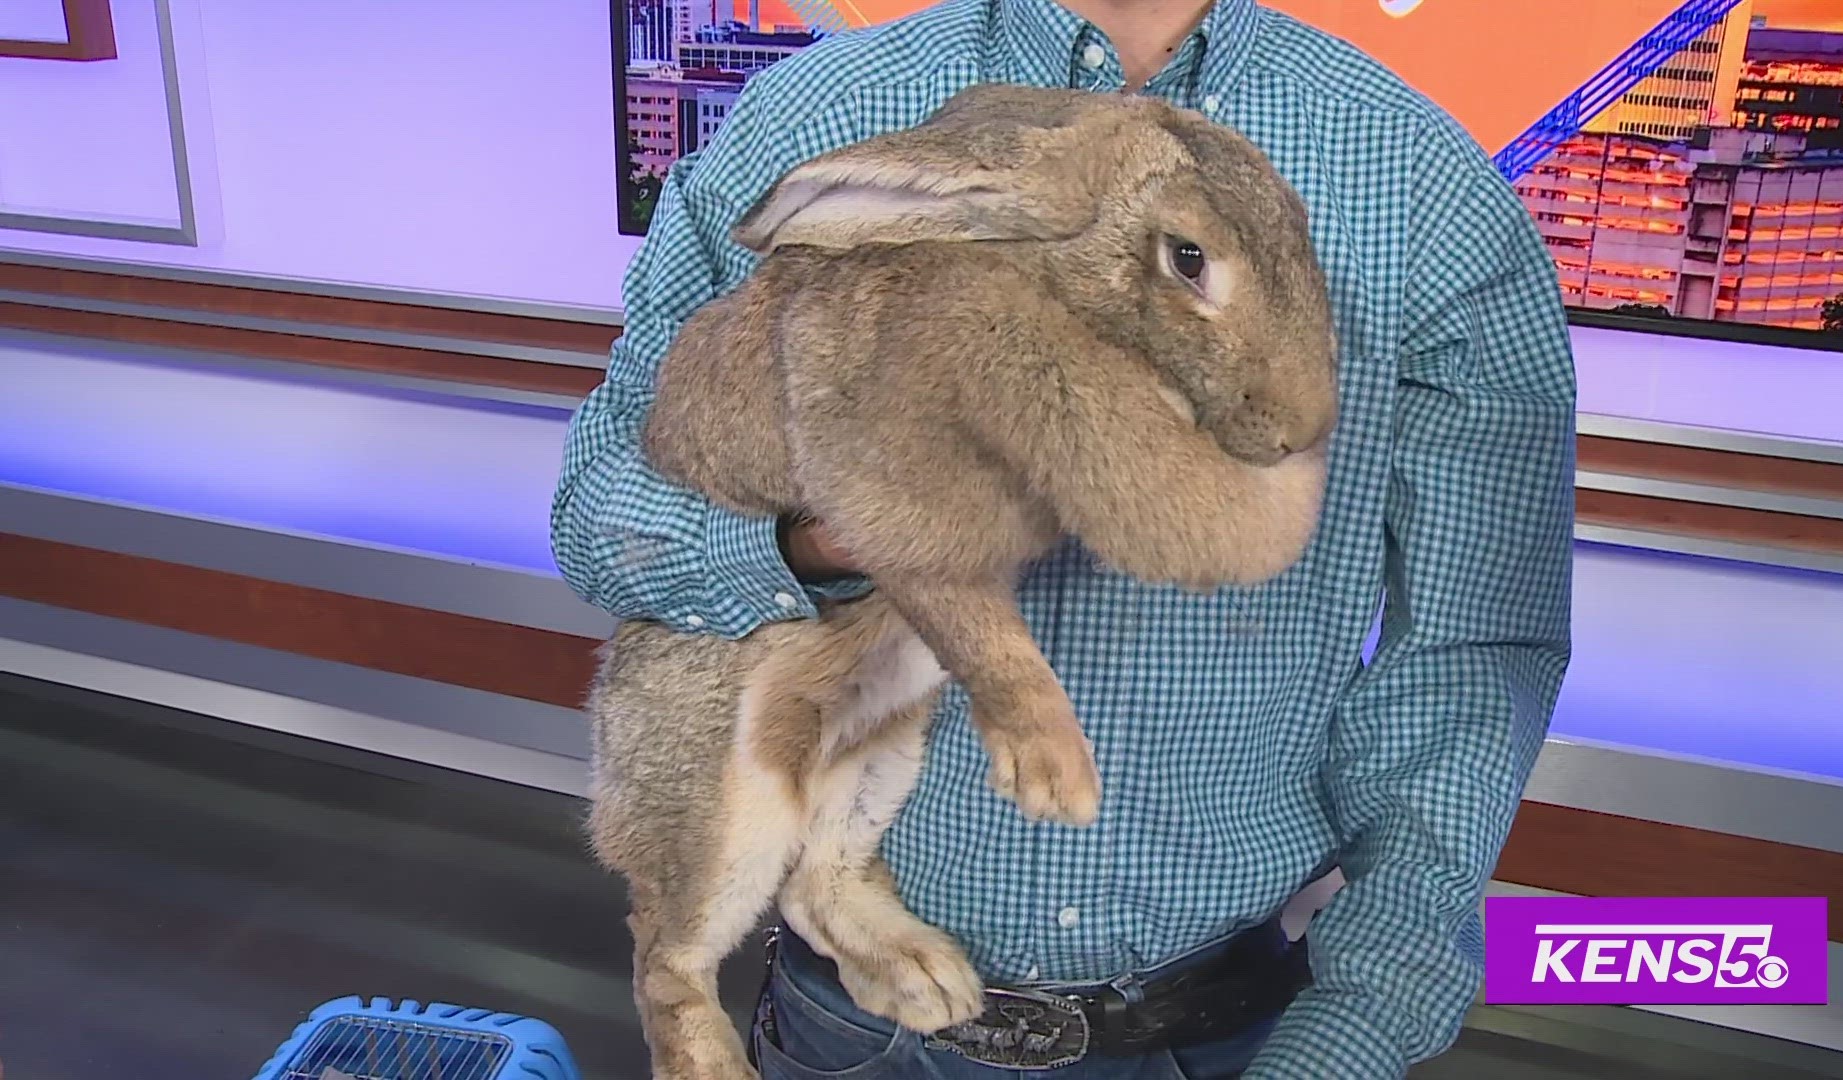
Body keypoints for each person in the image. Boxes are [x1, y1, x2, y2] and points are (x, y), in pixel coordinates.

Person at [551, 0, 1577, 1072]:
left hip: (1221, 1026)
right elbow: (604, 518)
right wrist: (839, 536)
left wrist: (1358, 1021)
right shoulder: (820, 111)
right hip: (861, 1030)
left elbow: (1469, 653)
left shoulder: (1415, 170)